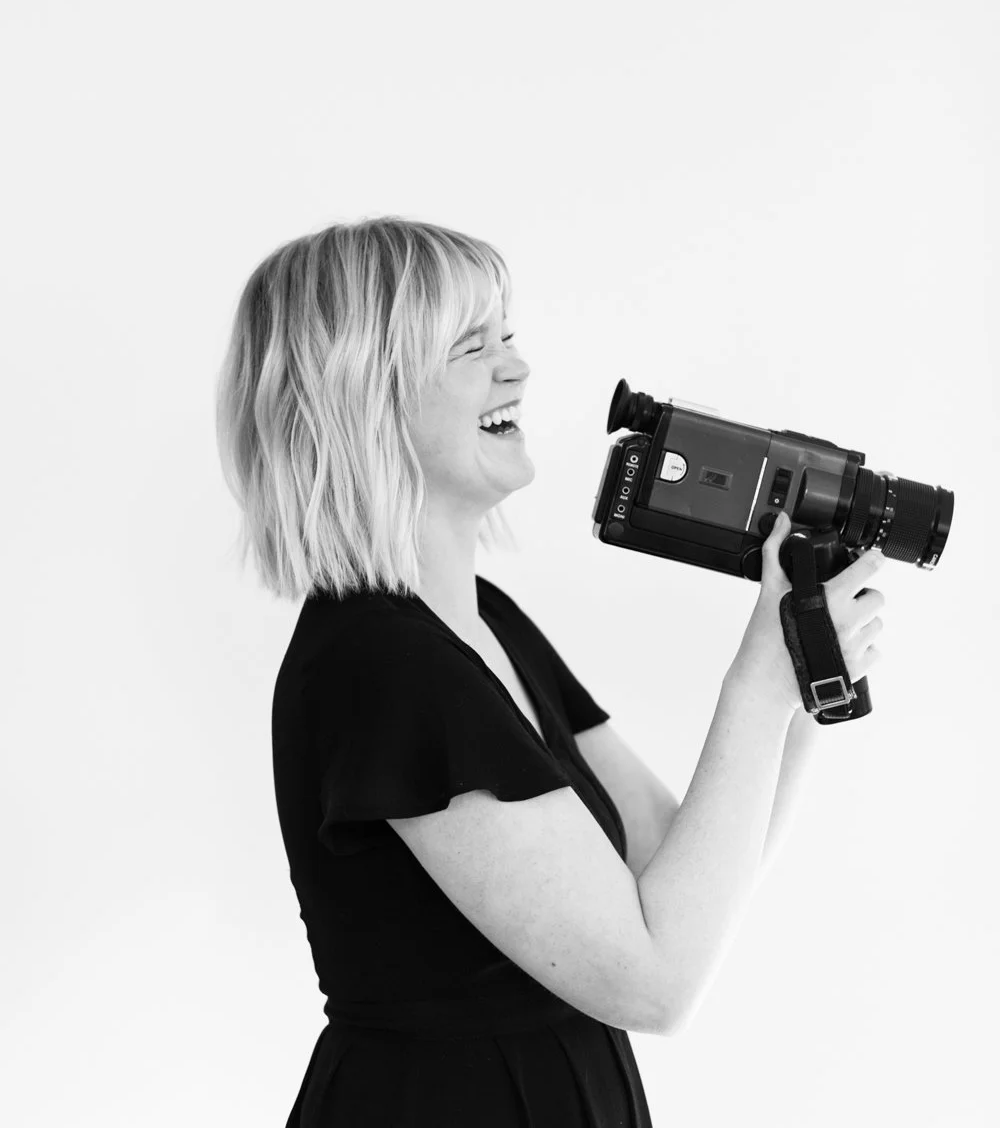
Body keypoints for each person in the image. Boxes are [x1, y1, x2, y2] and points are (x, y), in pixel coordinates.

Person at [215, 214, 887, 1127]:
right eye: (469, 345)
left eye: (508, 336)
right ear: (360, 400)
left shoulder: (485, 624)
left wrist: (807, 678)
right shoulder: (381, 667)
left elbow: (688, 872)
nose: (517, 368)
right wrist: (756, 683)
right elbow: (656, 985)